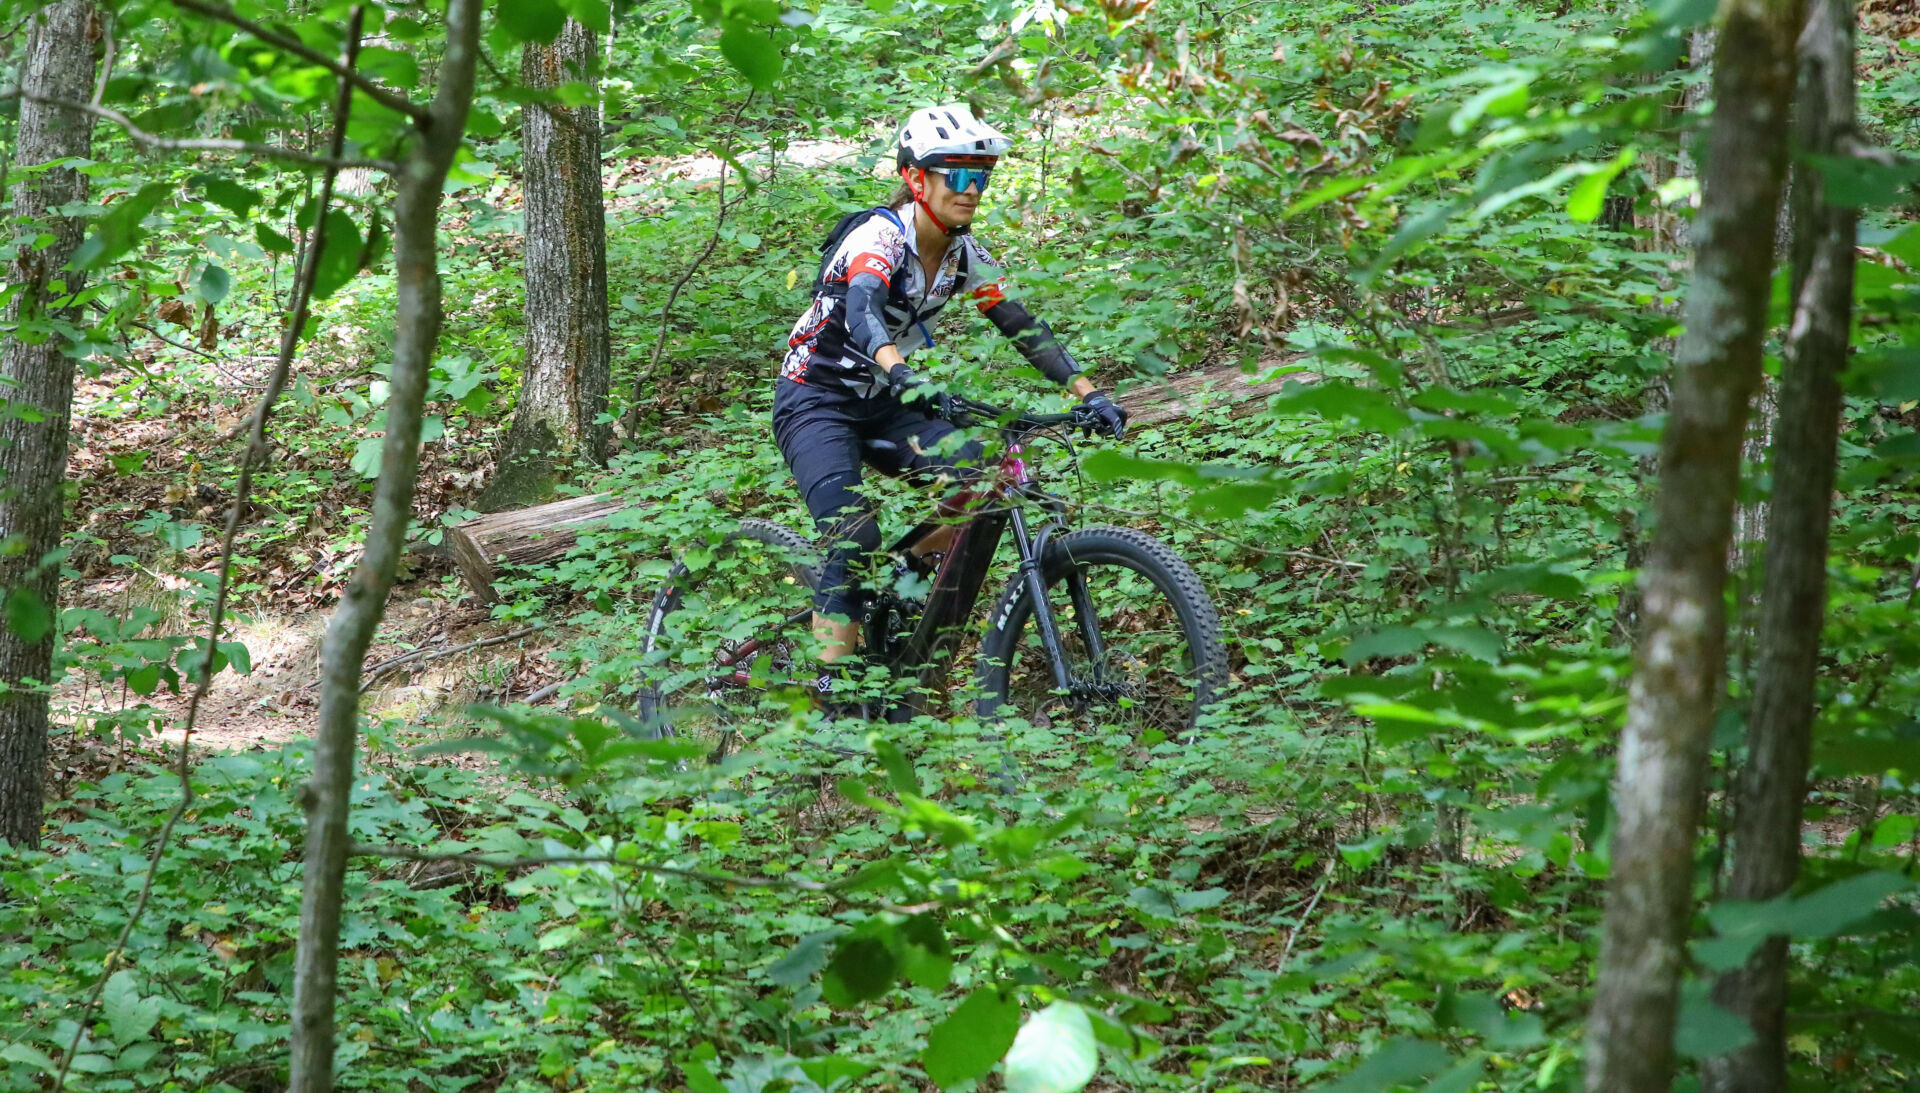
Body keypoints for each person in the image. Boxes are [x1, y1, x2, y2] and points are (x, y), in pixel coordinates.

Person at [772, 103, 1129, 697]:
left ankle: (903, 572)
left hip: (886, 404)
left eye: (980, 177)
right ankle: (832, 697)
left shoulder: (964, 253)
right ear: (917, 178)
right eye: (957, 176)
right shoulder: (879, 238)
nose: (971, 190)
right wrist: (902, 372)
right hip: (817, 400)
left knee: (993, 479)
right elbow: (862, 308)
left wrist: (1090, 394)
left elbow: (1019, 323)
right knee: (852, 535)